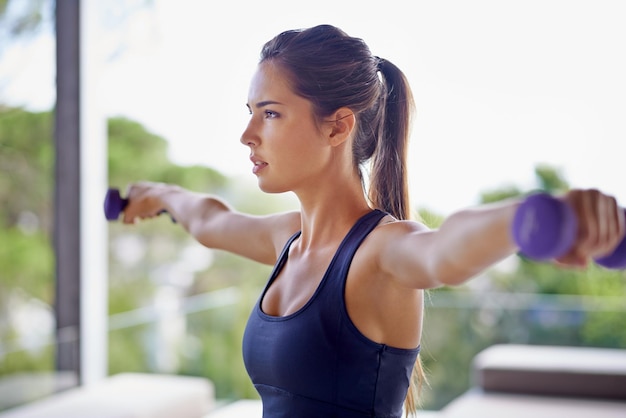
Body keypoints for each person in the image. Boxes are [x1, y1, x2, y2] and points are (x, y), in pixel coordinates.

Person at [120, 24, 624, 418]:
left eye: (270, 114)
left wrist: (534, 216)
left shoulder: (382, 251)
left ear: (338, 125)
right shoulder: (287, 238)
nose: (247, 134)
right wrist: (160, 195)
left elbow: (445, 251)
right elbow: (211, 221)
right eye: (250, 112)